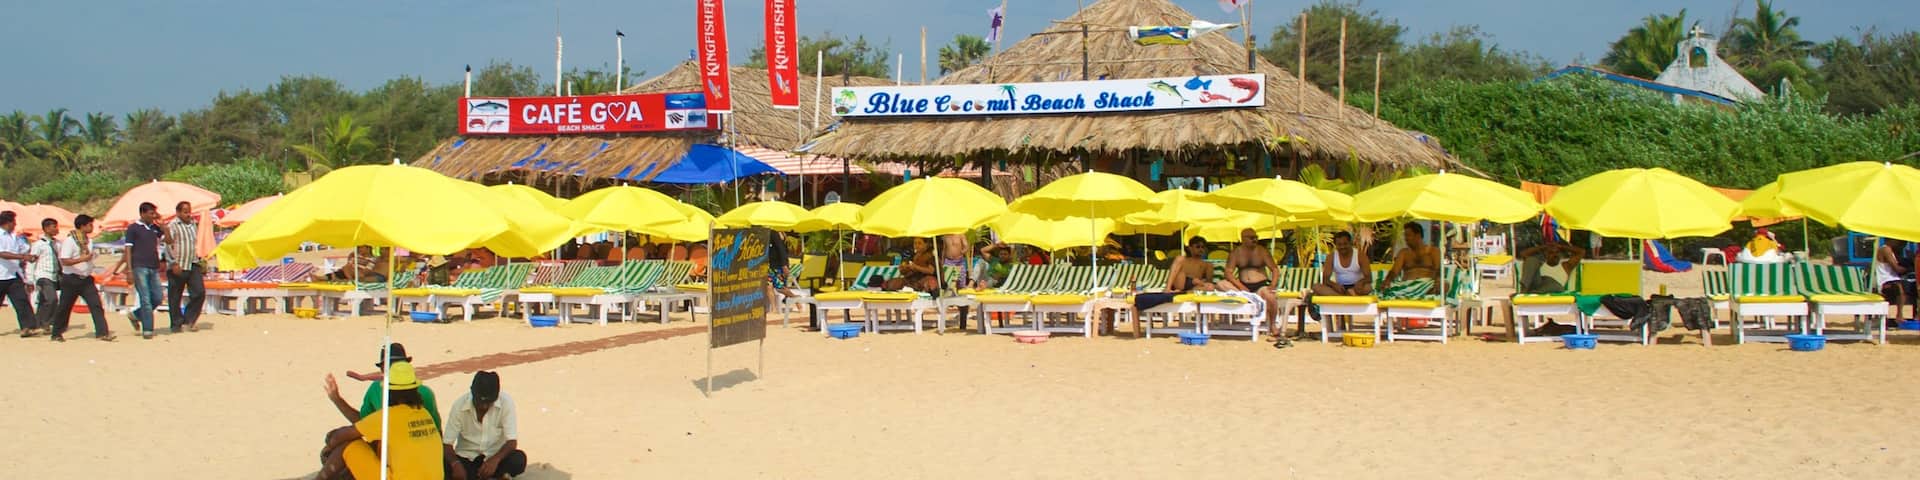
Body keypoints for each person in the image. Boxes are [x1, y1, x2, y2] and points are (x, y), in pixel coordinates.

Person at [319, 361, 444, 480]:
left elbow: (341, 436)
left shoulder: (389, 416)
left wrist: (330, 445)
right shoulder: (424, 413)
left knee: (348, 446)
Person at [325, 343, 443, 429]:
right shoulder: (375, 388)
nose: (392, 369)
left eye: (395, 365)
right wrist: (337, 400)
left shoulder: (425, 393)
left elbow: (436, 431)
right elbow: (363, 422)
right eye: (388, 366)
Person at [444, 371, 526, 480]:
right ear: (472, 393)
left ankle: (496, 474)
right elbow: (447, 444)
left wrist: (495, 460)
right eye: (479, 402)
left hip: (495, 458)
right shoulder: (459, 405)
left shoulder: (506, 402)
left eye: (488, 402)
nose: (483, 406)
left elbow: (511, 442)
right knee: (443, 463)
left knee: (518, 459)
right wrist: (455, 464)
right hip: (467, 459)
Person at [109, 202, 167, 339]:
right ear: (142, 213)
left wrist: (163, 225)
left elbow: (169, 240)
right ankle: (148, 329)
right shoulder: (133, 228)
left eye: (154, 213)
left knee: (158, 297)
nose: (153, 216)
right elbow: (128, 249)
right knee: (145, 298)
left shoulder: (155, 228)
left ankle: (136, 315)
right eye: (151, 213)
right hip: (139, 266)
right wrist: (129, 270)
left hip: (153, 266)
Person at [51, 215, 111, 342]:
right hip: (71, 278)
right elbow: (65, 260)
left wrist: (91, 258)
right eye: (90, 225)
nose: (91, 227)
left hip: (86, 278)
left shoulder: (89, 241)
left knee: (96, 305)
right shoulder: (70, 241)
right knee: (65, 307)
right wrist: (82, 259)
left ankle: (102, 332)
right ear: (82, 226)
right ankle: (56, 332)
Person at [1135, 236, 1215, 311]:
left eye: (1202, 247)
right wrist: (1168, 288)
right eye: (1197, 247)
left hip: (1193, 287)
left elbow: (1208, 282)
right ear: (1190, 248)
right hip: (1180, 282)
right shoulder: (1184, 260)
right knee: (1180, 265)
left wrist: (1200, 283)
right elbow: (1174, 272)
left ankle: (1184, 292)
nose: (1200, 249)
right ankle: (1169, 288)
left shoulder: (1207, 265)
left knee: (1210, 287)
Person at [164, 201, 207, 332]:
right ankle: (176, 324)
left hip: (192, 262)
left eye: (189, 211)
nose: (188, 214)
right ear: (178, 212)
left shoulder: (193, 224)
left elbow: (193, 243)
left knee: (199, 292)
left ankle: (188, 319)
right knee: (175, 296)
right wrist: (173, 263)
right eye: (185, 211)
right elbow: (167, 245)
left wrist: (201, 260)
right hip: (178, 264)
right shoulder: (173, 225)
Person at [1226, 228, 1282, 324]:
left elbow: (1275, 269)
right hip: (1243, 288)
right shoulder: (1236, 253)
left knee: (1270, 296)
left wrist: (1273, 285)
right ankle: (1248, 296)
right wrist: (1240, 286)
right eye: (1251, 238)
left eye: (1256, 237)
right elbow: (1228, 273)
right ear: (1243, 239)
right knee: (1221, 284)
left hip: (1260, 286)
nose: (1254, 240)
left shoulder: (1262, 251)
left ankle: (1273, 324)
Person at [0, 211, 41, 337]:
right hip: (1, 275)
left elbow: (24, 248)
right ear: (8, 222)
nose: (15, 224)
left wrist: (29, 253)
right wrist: (22, 256)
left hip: (13, 274)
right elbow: (2, 253)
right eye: (14, 222)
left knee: (21, 301)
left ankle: (27, 327)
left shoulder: (14, 237)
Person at [1382, 223, 1440, 296]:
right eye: (1405, 235)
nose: (1405, 238)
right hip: (1407, 286)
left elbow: (1438, 270)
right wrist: (1387, 280)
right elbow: (1394, 271)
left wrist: (1438, 281)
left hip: (1426, 285)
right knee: (1385, 287)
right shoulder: (1403, 253)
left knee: (1444, 285)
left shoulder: (1433, 251)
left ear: (1418, 236)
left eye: (1408, 235)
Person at [1312, 231, 1373, 297]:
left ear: (1350, 243)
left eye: (1345, 244)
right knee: (1316, 287)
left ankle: (1345, 296)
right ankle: (1346, 296)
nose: (1342, 247)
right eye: (1339, 244)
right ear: (1336, 245)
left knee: (1368, 287)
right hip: (1340, 288)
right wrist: (1334, 285)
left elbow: (1369, 278)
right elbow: (1325, 280)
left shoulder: (1360, 256)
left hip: (1357, 288)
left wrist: (1361, 282)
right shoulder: (1331, 257)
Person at [28, 218, 61, 334]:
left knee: (43, 300)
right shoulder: (38, 244)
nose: (56, 229)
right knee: (52, 299)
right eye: (54, 227)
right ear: (46, 228)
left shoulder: (57, 244)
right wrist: (30, 279)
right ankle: (46, 323)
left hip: (54, 275)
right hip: (43, 274)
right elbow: (31, 261)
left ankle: (37, 323)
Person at [1516, 239, 1584, 294]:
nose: (1555, 255)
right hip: (1538, 286)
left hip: (1554, 289)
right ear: (1546, 255)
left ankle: (1534, 293)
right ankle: (1523, 292)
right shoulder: (1540, 264)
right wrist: (1544, 247)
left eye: (1557, 252)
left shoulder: (1566, 266)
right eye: (1551, 252)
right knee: (1531, 260)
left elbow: (1581, 252)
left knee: (1552, 283)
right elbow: (1523, 254)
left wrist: (1561, 246)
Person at [1876, 239, 1916, 323]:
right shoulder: (1885, 249)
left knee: (1913, 286)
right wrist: (1912, 269)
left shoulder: (1893, 250)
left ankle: (1915, 314)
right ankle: (1899, 315)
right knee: (1899, 286)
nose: (1902, 244)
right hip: (1886, 280)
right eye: (1900, 242)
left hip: (1893, 279)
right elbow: (1897, 269)